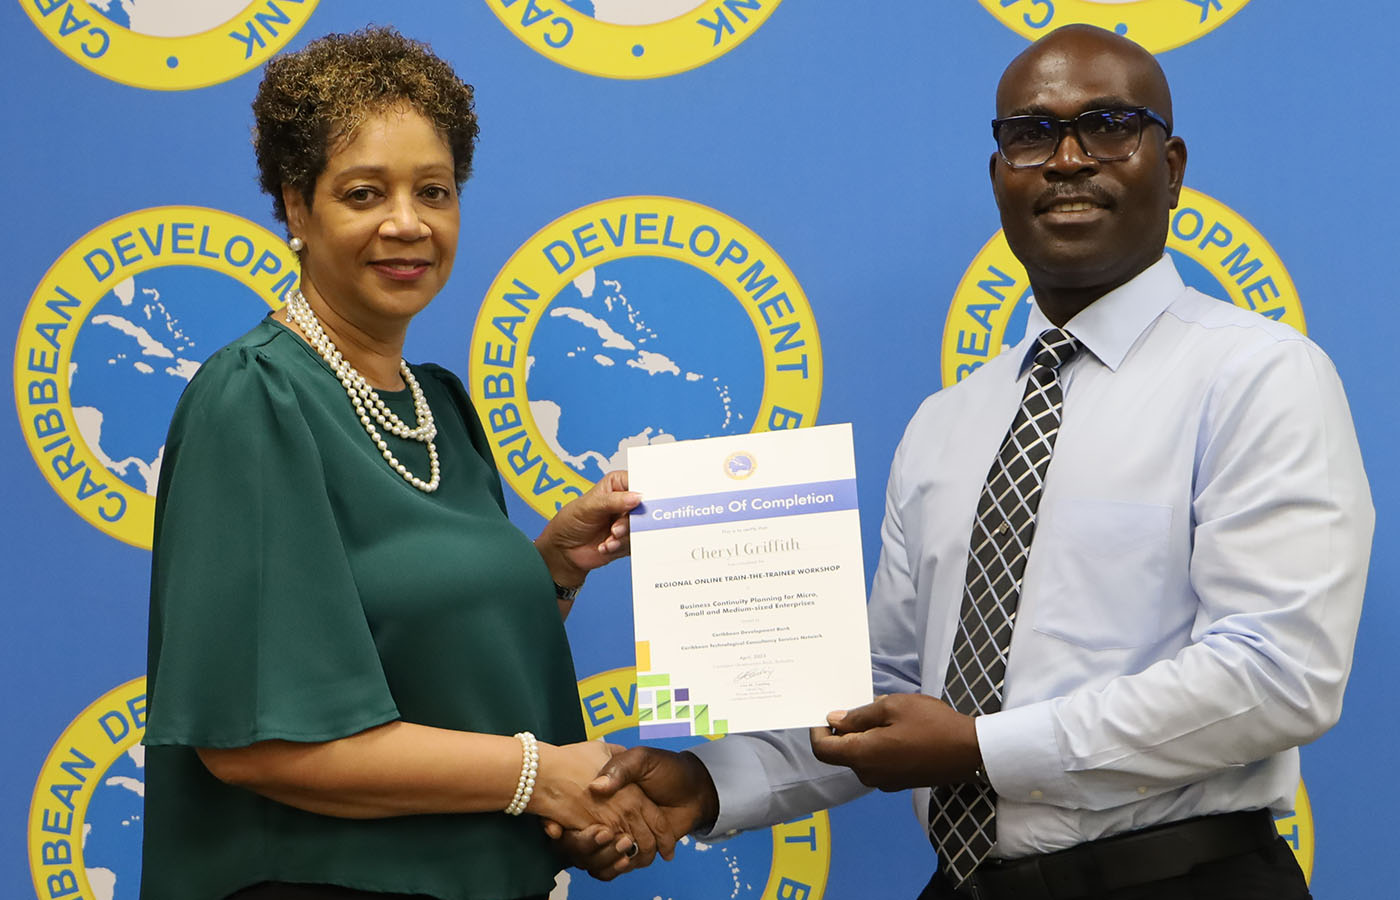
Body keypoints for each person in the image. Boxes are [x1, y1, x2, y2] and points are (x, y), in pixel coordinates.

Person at [555, 24, 1374, 899]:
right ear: (998, 178)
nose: (1066, 159)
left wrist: (982, 749)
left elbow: (1278, 674)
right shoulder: (948, 423)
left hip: (1186, 878)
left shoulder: (1260, 375)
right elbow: (890, 690)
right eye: (1031, 133)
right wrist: (711, 783)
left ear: (1170, 167)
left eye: (1107, 126)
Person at [141, 27, 673, 900]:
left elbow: (416, 654)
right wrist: (548, 778)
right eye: (363, 192)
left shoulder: (437, 404)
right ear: (295, 208)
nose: (407, 223)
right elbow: (258, 739)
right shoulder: (256, 397)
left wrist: (551, 571)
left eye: (435, 190)